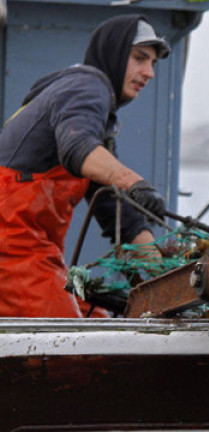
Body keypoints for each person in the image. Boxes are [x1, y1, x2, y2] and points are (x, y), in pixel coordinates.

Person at [0, 15, 169, 317]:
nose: (149, 73)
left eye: (153, 63)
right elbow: (78, 148)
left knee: (96, 320)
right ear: (114, 54)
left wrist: (166, 275)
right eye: (140, 58)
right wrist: (133, 182)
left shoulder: (92, 115)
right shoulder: (88, 85)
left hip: (31, 248)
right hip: (11, 246)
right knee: (70, 343)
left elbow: (121, 218)